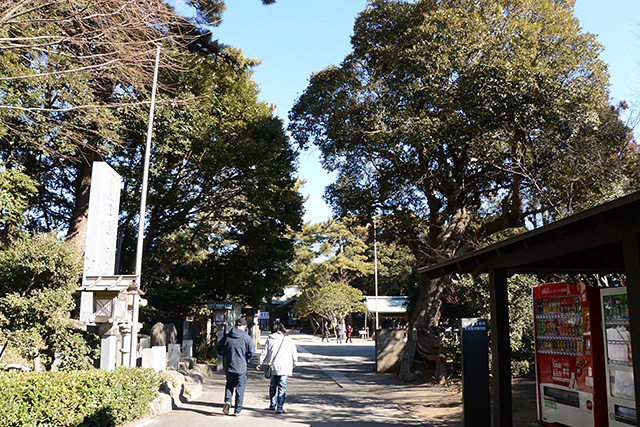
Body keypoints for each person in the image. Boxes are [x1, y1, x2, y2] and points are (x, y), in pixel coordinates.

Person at [216, 318, 255, 416]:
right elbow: (251, 352)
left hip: (229, 365)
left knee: (229, 384)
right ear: (244, 327)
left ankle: (228, 401)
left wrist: (224, 355)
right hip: (241, 366)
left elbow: (218, 348)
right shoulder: (247, 338)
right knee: (240, 388)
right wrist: (246, 360)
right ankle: (238, 410)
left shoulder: (227, 337)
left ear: (234, 326)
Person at [257, 321, 298, 414]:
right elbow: (294, 352)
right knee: (282, 387)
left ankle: (272, 405)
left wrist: (260, 363)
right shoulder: (288, 339)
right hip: (285, 366)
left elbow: (264, 352)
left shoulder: (270, 339)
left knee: (273, 386)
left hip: (273, 367)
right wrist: (295, 361)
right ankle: (280, 408)